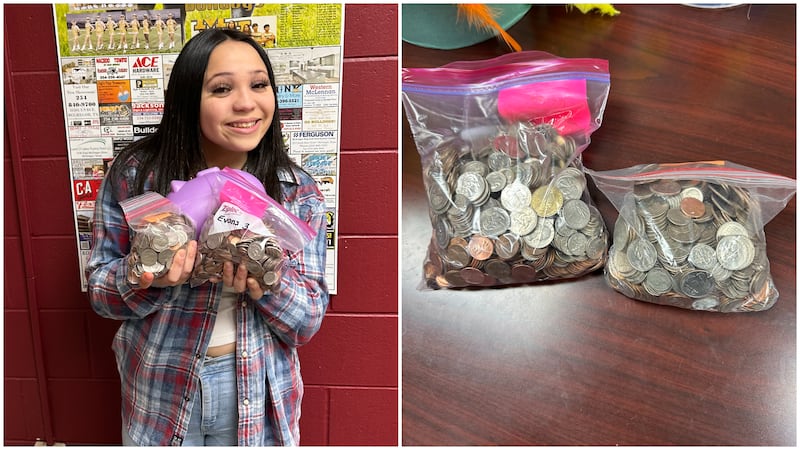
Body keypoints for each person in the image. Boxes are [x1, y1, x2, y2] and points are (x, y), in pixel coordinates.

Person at [86, 28, 329, 446]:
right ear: (187, 100)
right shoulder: (135, 175)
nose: (246, 103)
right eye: (221, 88)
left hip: (256, 395)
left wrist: (267, 283)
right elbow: (100, 294)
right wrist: (145, 276)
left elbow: (307, 322)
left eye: (259, 85)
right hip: (159, 393)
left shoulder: (295, 191)